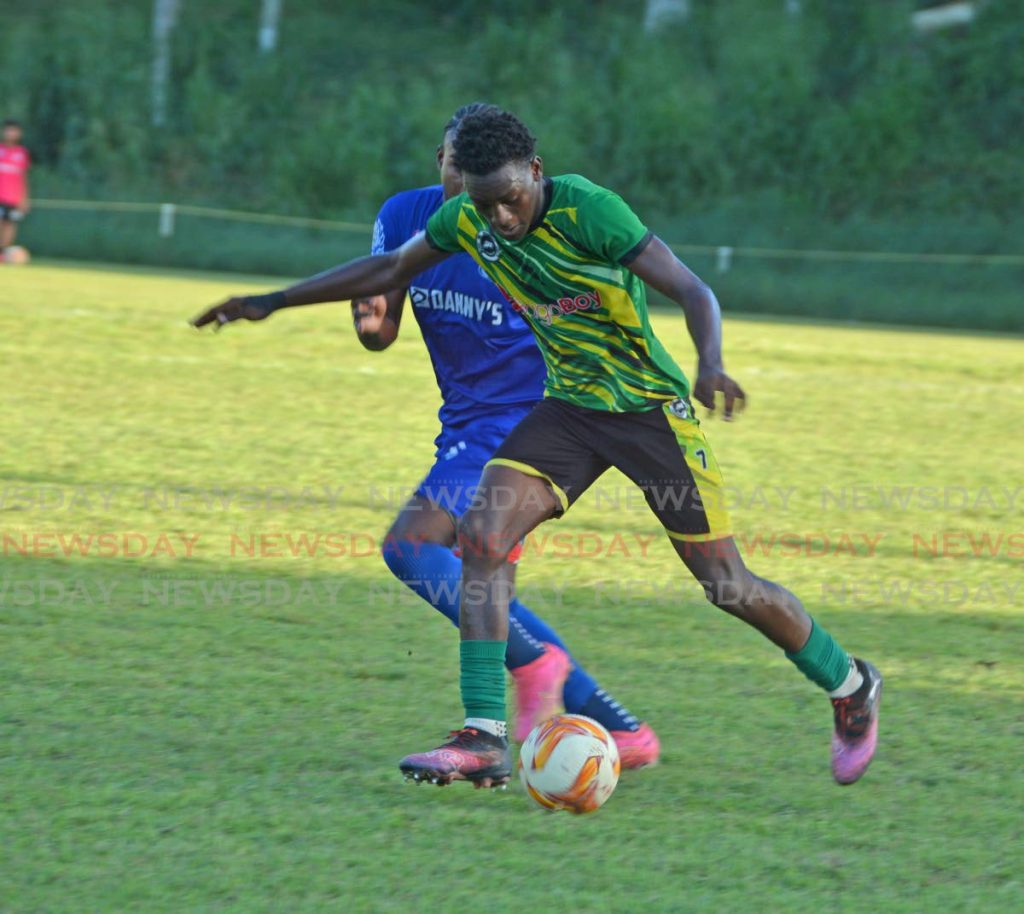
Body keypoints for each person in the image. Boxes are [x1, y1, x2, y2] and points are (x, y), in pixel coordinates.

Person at [192, 106, 882, 791]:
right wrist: (271, 301)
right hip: (569, 413)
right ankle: (485, 736)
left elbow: (692, 288)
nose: (499, 221)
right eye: (484, 204)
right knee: (484, 535)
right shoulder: (467, 218)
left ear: (536, 173)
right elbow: (387, 270)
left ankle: (850, 684)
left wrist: (709, 364)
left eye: (510, 201)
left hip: (648, 413)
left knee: (726, 584)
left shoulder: (591, 211)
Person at [198, 103, 661, 770]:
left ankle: (526, 679)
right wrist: (370, 318)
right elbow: (382, 320)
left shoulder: (519, 224)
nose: (466, 180)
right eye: (455, 165)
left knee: (412, 545)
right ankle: (619, 728)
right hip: (468, 425)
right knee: (485, 584)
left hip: (529, 422)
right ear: (440, 164)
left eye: (479, 172)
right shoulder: (408, 218)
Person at [0, 119, 31, 255]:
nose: (11, 133)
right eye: (9, 130)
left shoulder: (22, 153)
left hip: (13, 198)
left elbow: (23, 177)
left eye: (14, 131)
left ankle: (3, 252)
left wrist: (24, 198)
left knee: (10, 224)